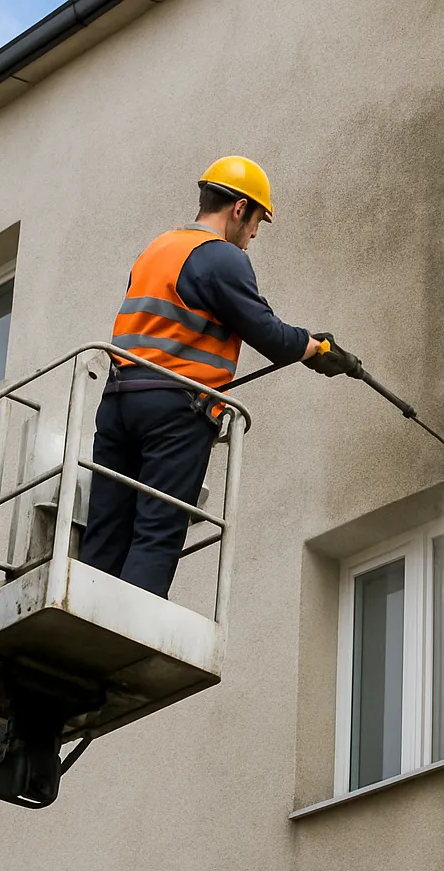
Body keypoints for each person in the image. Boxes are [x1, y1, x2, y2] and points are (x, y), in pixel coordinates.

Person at [80, 156, 354, 598]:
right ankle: (122, 643)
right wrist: (315, 348)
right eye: (258, 220)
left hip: (117, 403)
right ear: (239, 208)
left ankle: (85, 628)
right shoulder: (222, 257)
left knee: (107, 529)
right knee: (157, 530)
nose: (255, 234)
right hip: (173, 410)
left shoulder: (157, 249)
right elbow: (269, 334)